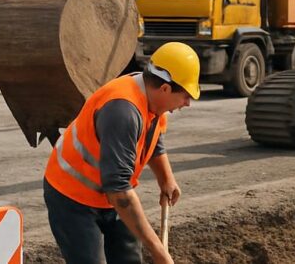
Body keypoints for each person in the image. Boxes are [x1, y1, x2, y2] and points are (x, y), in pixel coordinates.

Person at [43, 42, 201, 264]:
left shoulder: (153, 99)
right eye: (186, 96)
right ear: (165, 88)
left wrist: (166, 179)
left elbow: (153, 138)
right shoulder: (123, 111)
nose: (188, 103)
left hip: (111, 195)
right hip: (72, 197)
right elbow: (120, 194)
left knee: (128, 258)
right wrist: (159, 252)